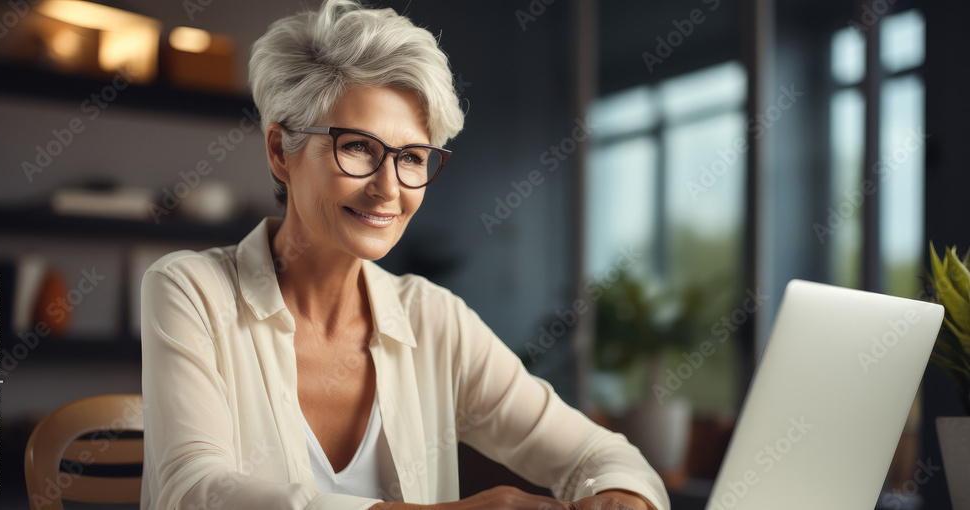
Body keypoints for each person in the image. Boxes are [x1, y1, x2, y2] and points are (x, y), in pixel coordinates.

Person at [139, 1, 669, 509]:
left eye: (412, 157)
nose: (388, 189)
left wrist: (622, 498)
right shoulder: (191, 291)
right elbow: (195, 493)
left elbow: (605, 456)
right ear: (281, 150)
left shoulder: (435, 320)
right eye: (358, 148)